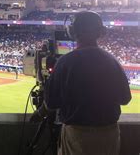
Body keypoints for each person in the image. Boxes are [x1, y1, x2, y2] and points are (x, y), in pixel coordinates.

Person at [35, 11, 132, 155]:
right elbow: (125, 99)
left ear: (73, 31)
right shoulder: (112, 61)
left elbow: (51, 102)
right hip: (109, 135)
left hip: (77, 136)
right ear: (100, 32)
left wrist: (39, 112)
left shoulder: (65, 62)